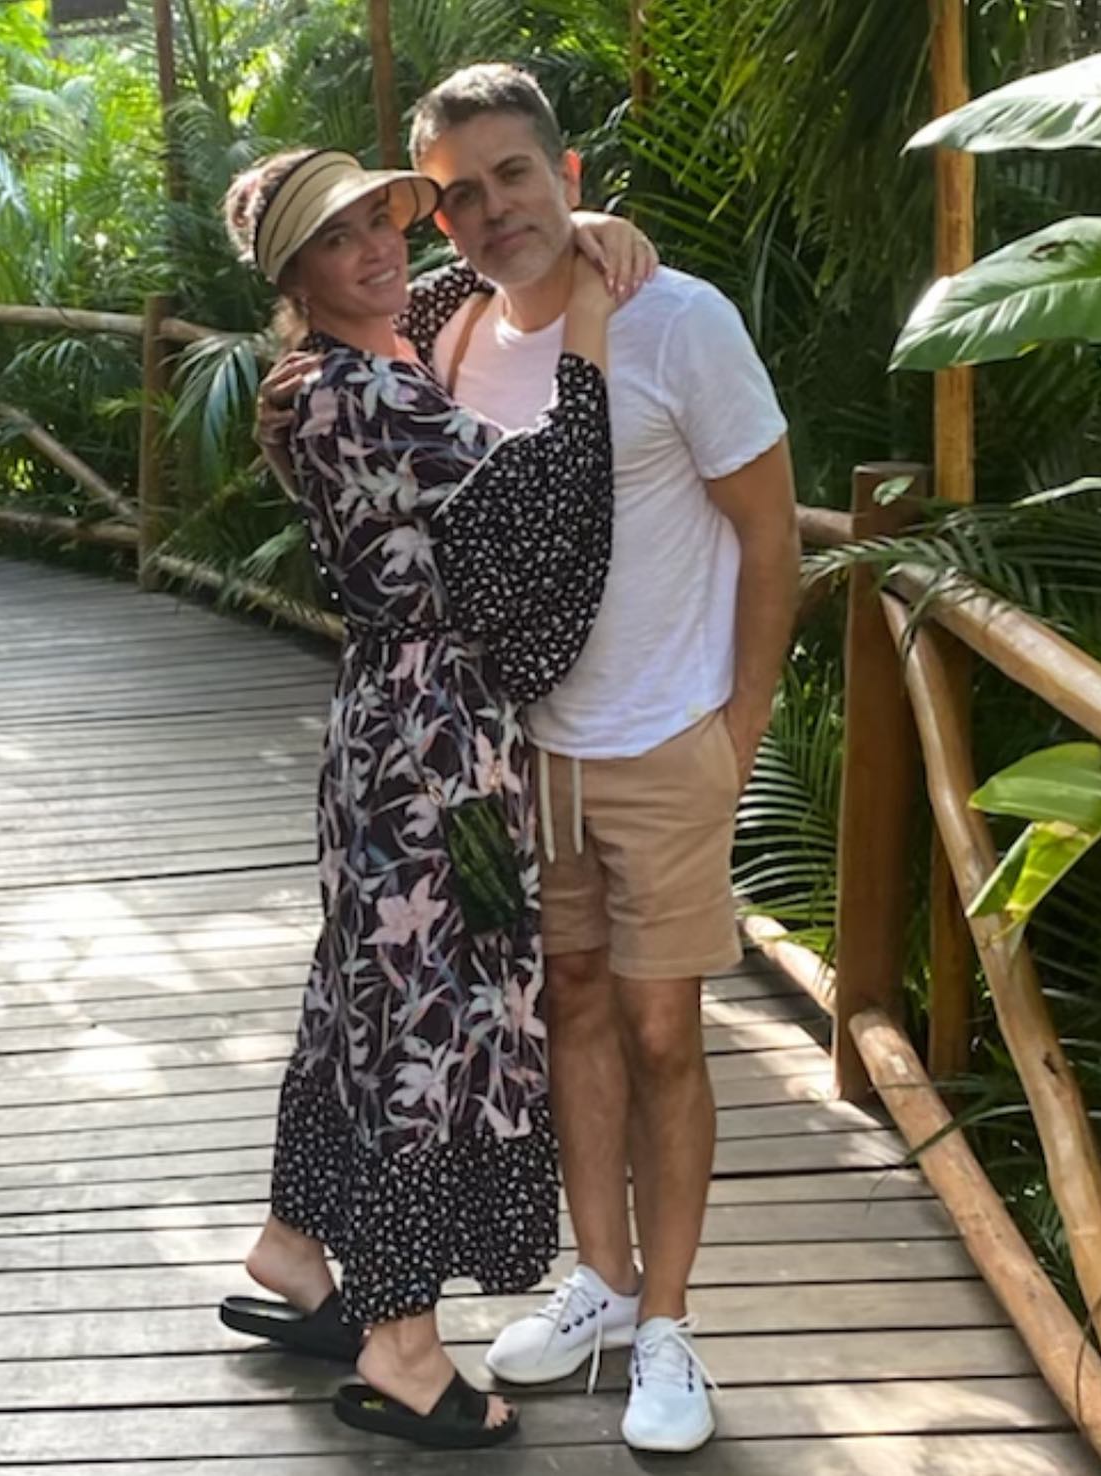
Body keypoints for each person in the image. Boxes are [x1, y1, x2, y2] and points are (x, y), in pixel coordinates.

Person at [387, 65, 800, 1455]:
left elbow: (770, 537)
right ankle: (604, 1284)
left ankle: (673, 1324)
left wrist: (736, 732)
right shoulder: (445, 333)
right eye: (458, 194)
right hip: (521, 763)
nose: (489, 208)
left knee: (665, 1029)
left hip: (664, 741)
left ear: (566, 176)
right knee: (566, 1006)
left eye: (512, 174)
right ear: (437, 224)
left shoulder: (679, 323)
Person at [215, 146, 641, 1451]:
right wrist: (585, 330)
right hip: (431, 753)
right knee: (432, 1017)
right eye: (340, 239)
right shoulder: (365, 397)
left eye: (380, 222)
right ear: (299, 277)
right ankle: (401, 1340)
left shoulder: (364, 355)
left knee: (376, 989)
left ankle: (299, 1244)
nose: (379, 247)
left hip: (408, 739)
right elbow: (534, 504)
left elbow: (438, 278)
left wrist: (572, 225)